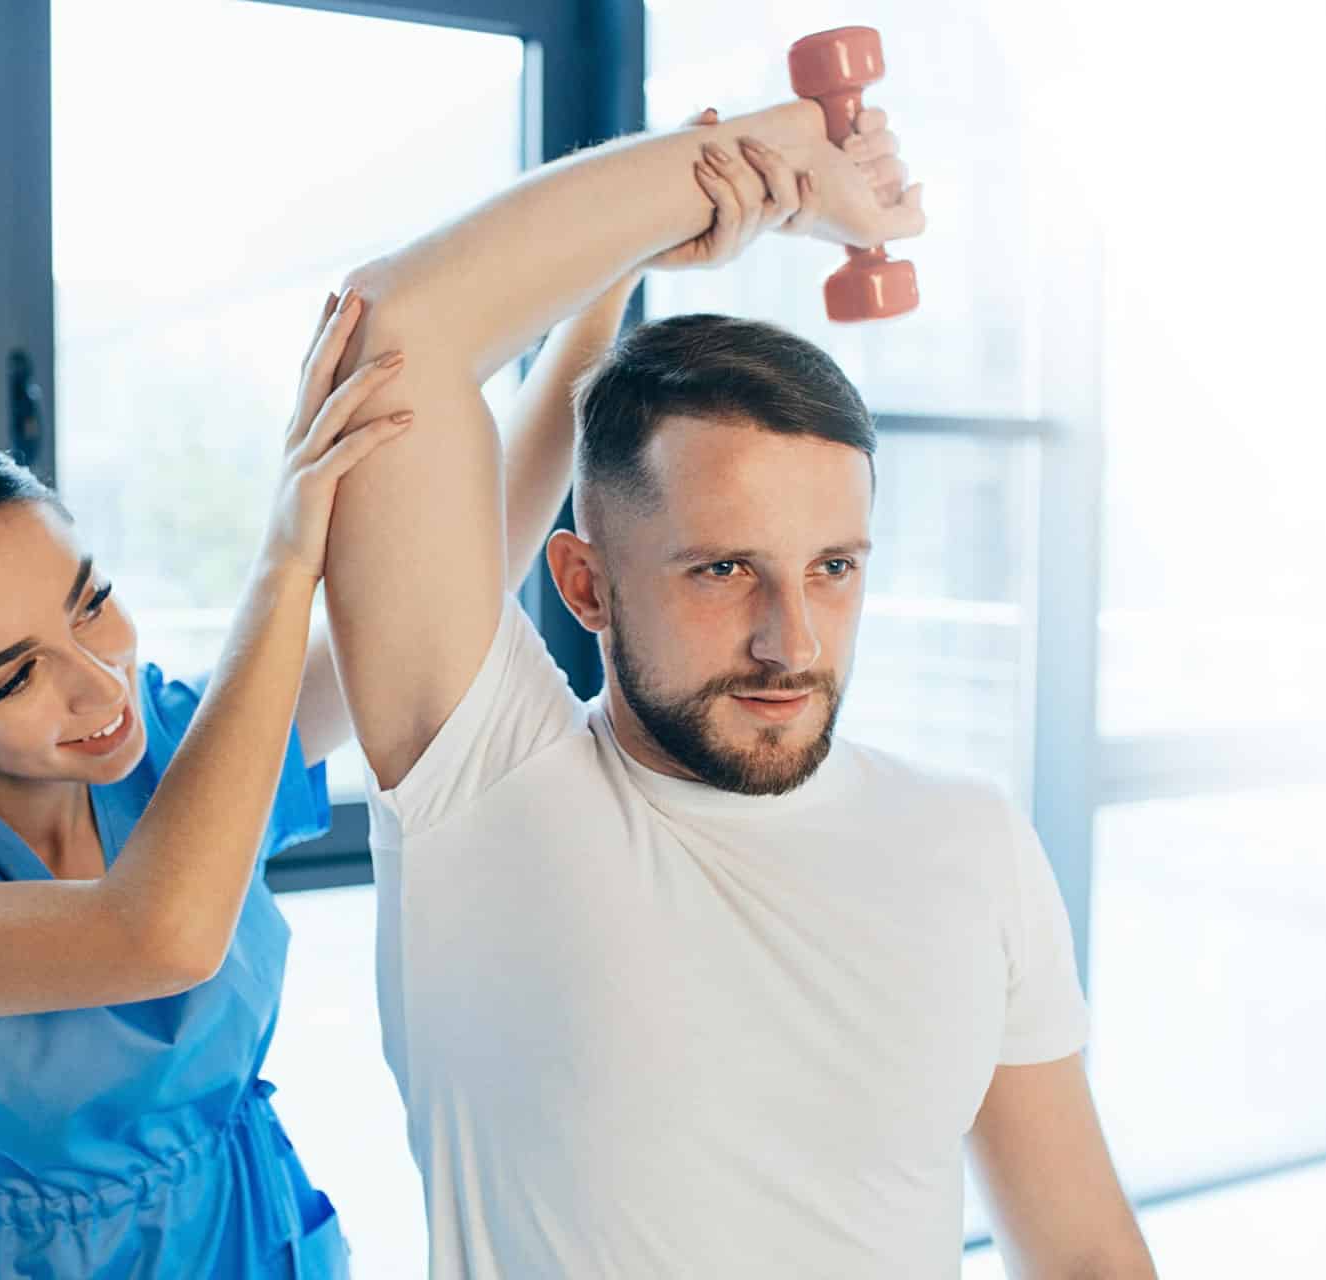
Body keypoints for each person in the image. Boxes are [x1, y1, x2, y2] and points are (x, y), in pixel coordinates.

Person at [0, 141, 788, 1277]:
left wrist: (610, 281)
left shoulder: (177, 747)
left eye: (94, 603)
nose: (99, 684)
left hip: (266, 1244)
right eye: (11, 675)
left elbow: (457, 574)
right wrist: (288, 555)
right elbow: (158, 933)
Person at [320, 101, 1158, 1276]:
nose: (792, 639)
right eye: (725, 569)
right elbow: (396, 326)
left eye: (833, 567)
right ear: (587, 584)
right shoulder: (486, 782)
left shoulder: (971, 841)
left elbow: (1083, 1252)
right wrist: (771, 162)